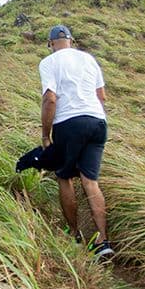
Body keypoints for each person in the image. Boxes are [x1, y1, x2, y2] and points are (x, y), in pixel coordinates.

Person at [39, 25, 114, 259]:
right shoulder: (89, 59)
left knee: (64, 176)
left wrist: (45, 134)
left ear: (50, 43)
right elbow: (101, 96)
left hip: (68, 122)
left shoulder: (49, 62)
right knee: (90, 181)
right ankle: (103, 241)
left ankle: (74, 235)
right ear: (72, 40)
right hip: (97, 121)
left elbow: (50, 99)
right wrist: (92, 119)